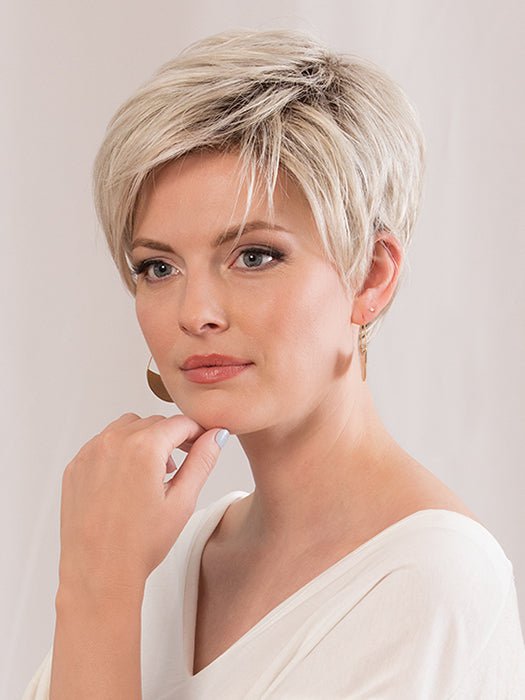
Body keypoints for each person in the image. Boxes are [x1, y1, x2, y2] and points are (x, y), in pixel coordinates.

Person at [22, 28, 525, 699]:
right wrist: (103, 576)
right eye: (158, 267)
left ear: (370, 275)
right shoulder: (167, 551)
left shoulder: (432, 580)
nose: (195, 313)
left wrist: (96, 588)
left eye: (254, 256)